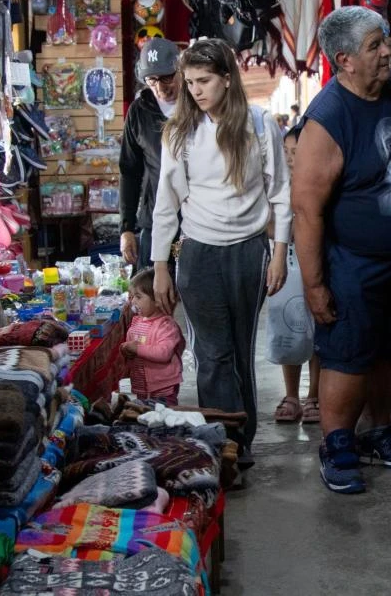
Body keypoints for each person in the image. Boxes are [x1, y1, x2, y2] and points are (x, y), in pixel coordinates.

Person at [291, 5, 391, 494]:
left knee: (389, 348)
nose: (387, 51)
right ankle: (337, 442)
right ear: (344, 60)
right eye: (374, 46)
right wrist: (314, 285)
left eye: (385, 40)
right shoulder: (327, 118)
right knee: (347, 354)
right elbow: (307, 210)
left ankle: (378, 431)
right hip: (351, 260)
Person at [151, 38, 291, 466]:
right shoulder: (179, 130)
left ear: (227, 79)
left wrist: (280, 253)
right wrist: (160, 265)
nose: (195, 90)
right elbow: (166, 203)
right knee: (212, 355)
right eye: (190, 81)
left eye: (205, 80)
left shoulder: (259, 123)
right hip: (198, 254)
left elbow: (280, 192)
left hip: (249, 252)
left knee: (239, 351)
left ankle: (241, 441)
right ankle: (222, 443)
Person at [119, 38, 182, 271]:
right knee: (150, 288)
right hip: (154, 221)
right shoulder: (139, 111)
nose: (160, 87)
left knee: (189, 287)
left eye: (167, 77)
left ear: (180, 70)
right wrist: (126, 228)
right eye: (152, 80)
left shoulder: (197, 106)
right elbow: (129, 171)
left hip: (196, 224)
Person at [272, 126, 321, 424]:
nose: (290, 158)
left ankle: (314, 395)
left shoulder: (321, 182)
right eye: (286, 152)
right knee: (287, 326)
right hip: (287, 264)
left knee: (317, 328)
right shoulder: (277, 186)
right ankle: (291, 395)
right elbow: (267, 224)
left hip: (317, 263)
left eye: (296, 152)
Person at [121, 267, 185, 405]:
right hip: (142, 386)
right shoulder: (136, 322)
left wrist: (137, 349)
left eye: (138, 297)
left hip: (163, 388)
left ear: (157, 300)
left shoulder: (166, 325)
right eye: (131, 296)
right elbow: (132, 350)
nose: (133, 301)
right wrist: (127, 351)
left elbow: (164, 353)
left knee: (164, 415)